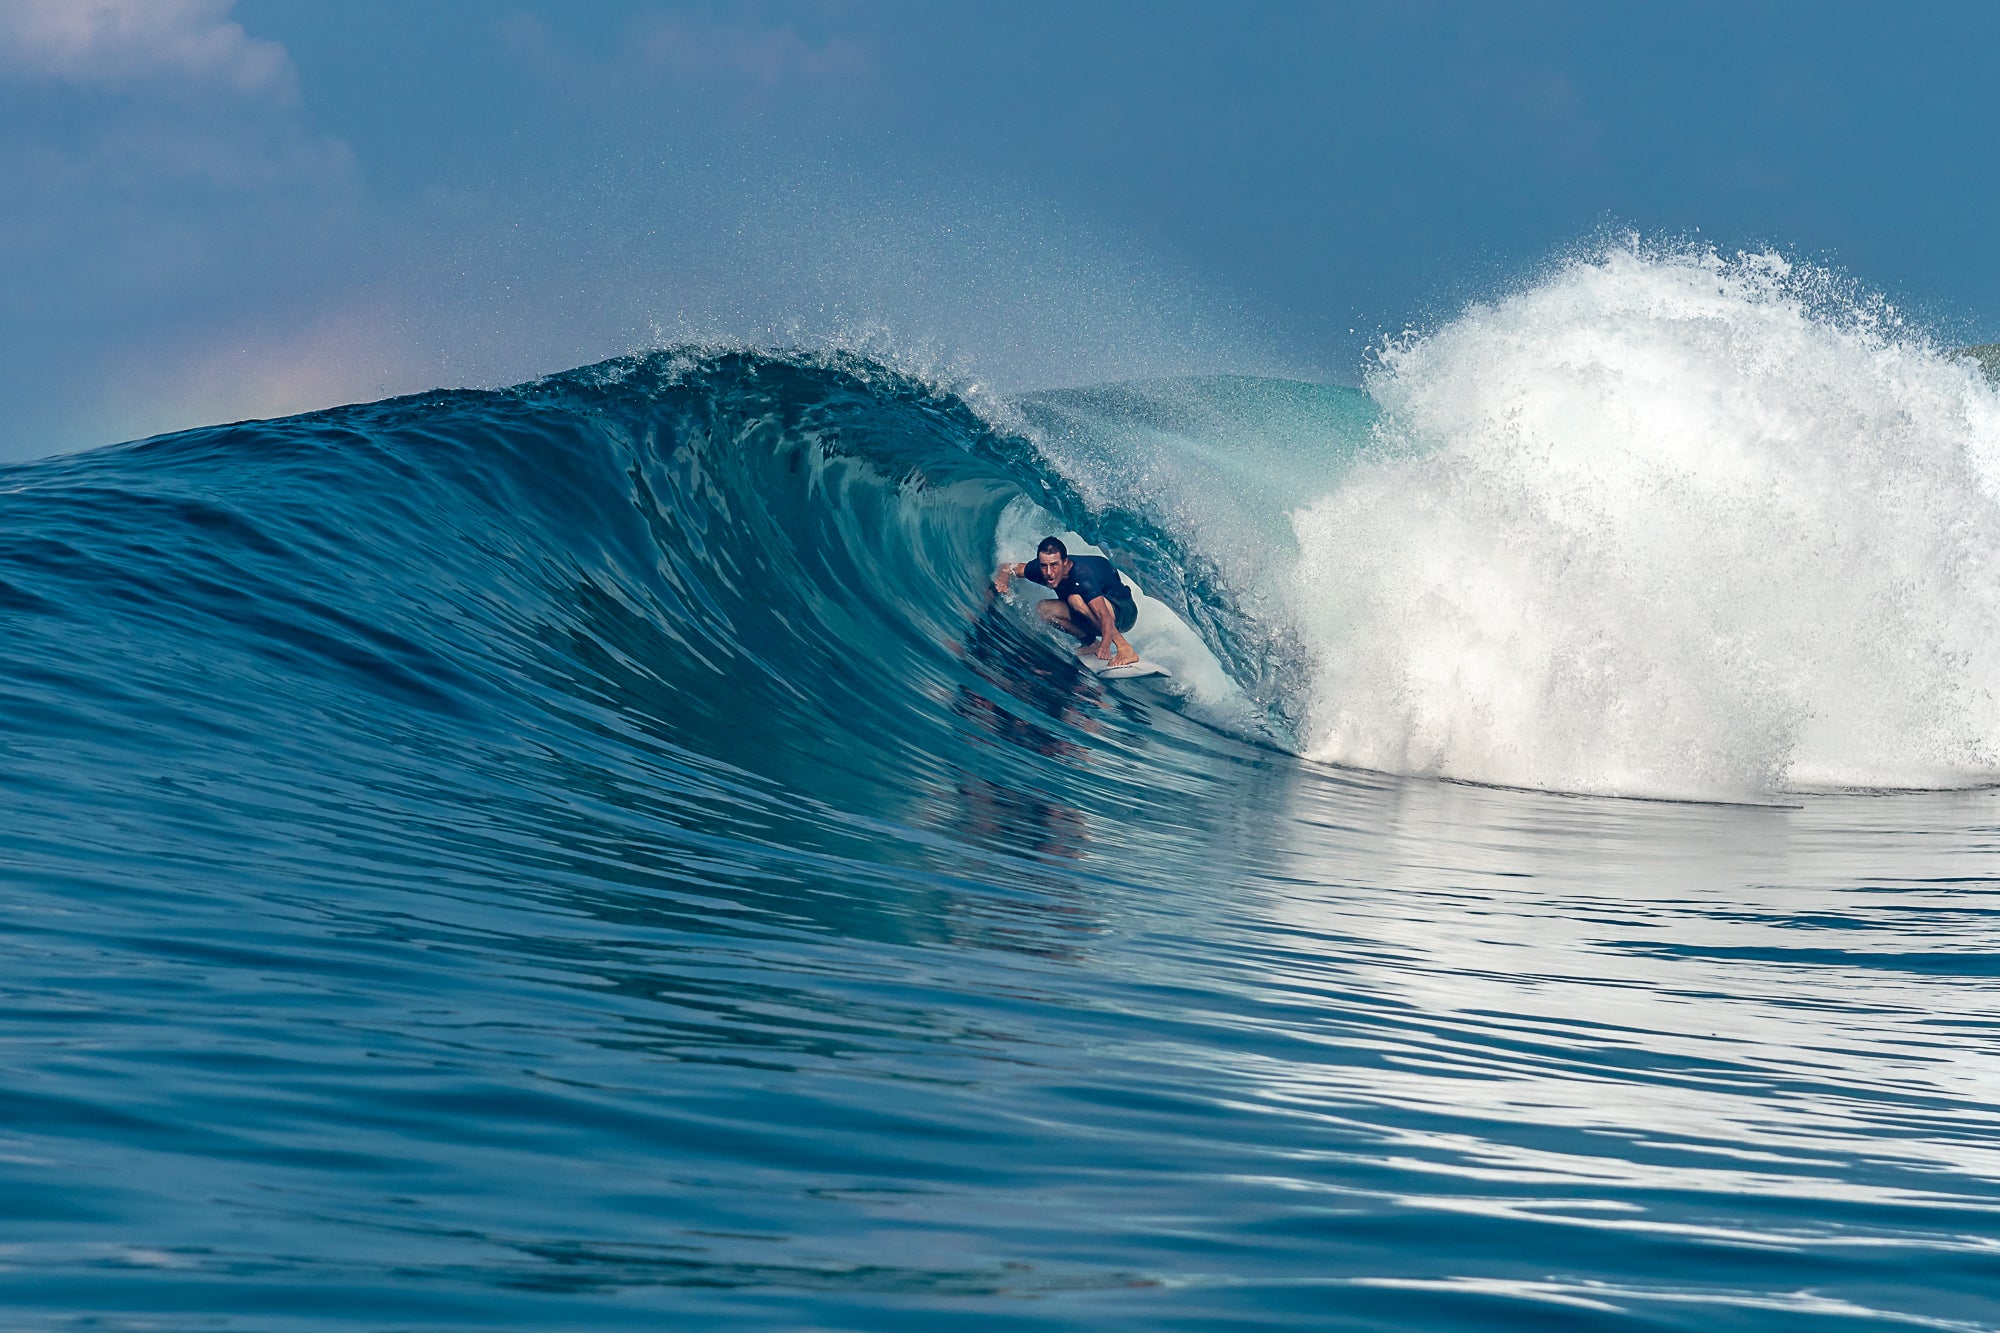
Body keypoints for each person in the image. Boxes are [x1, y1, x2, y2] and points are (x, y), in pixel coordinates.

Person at [994, 537, 1140, 668]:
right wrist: (1003, 577)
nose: (1049, 572)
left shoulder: (1082, 575)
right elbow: (1008, 567)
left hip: (1124, 612)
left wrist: (1106, 645)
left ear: (1065, 563)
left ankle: (1125, 648)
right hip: (1097, 616)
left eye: (1054, 565)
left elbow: (1105, 615)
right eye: (1044, 565)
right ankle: (1091, 643)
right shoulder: (1041, 569)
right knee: (1044, 609)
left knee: (1074, 599)